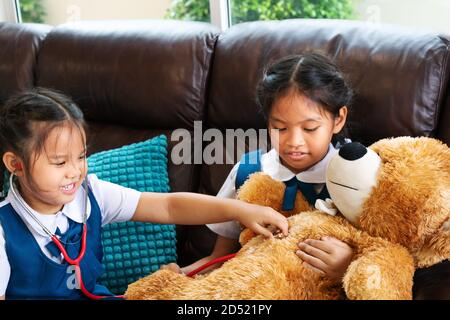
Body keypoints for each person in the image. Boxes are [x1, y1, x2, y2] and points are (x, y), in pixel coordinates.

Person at [0, 88, 288, 300]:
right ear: (16, 165)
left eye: (81, 156)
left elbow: (168, 207)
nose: (75, 171)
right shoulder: (4, 229)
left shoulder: (90, 195)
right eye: (60, 162)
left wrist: (240, 210)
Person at [171, 52, 355, 285]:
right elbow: (219, 260)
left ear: (338, 120)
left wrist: (347, 267)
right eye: (279, 128)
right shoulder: (249, 172)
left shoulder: (355, 176)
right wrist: (177, 276)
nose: (294, 141)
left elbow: (385, 256)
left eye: (309, 128)